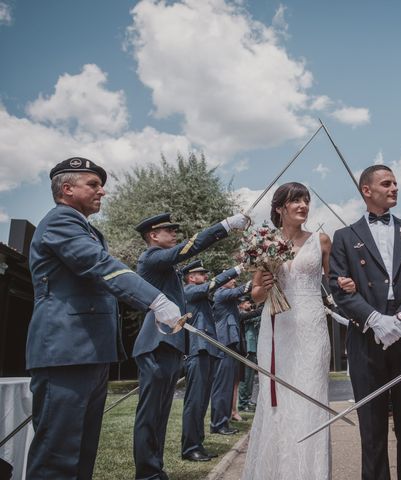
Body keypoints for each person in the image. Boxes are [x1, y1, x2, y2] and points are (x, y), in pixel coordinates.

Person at [26, 158, 182, 480]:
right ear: (67, 189)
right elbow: (99, 265)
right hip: (65, 351)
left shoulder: (84, 227)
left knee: (83, 453)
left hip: (87, 351)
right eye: (93, 184)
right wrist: (155, 298)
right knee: (58, 456)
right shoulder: (60, 222)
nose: (102, 191)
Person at [330, 165, 401, 480]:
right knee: (372, 427)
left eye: (395, 183)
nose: (394, 188)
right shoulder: (344, 237)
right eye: (386, 183)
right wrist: (375, 319)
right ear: (367, 190)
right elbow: (339, 287)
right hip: (366, 336)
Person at [132, 210, 248, 480]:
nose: (174, 234)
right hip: (156, 342)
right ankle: (147, 473)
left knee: (159, 415)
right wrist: (225, 226)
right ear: (153, 235)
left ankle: (154, 469)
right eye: (168, 230)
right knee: (150, 415)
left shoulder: (164, 265)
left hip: (170, 343)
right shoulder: (152, 257)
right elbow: (190, 247)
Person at [242, 182, 333, 480]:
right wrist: (263, 288)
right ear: (280, 207)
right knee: (276, 399)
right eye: (296, 200)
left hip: (311, 324)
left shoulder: (321, 240)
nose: (303, 206)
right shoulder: (264, 242)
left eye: (306, 200)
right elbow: (255, 294)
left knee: (310, 396)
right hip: (276, 326)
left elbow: (336, 282)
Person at [181, 260, 242, 461]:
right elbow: (212, 285)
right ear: (191, 277)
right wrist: (238, 269)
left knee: (201, 403)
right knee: (195, 402)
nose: (205, 276)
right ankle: (190, 447)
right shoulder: (189, 290)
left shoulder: (200, 296)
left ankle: (197, 444)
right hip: (198, 351)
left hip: (208, 351)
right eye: (201, 274)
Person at [209, 276, 251, 435]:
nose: (235, 281)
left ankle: (223, 422)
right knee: (222, 387)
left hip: (230, 344)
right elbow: (241, 290)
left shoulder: (228, 298)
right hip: (224, 344)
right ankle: (218, 424)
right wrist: (260, 273)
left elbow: (239, 316)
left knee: (227, 386)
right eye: (231, 279)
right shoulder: (221, 294)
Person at [238, 297, 262, 412]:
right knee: (246, 378)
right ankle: (242, 404)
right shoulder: (242, 315)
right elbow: (255, 317)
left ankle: (247, 401)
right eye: (247, 303)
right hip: (248, 349)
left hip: (253, 348)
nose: (250, 304)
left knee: (251, 378)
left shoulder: (249, 314)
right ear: (241, 305)